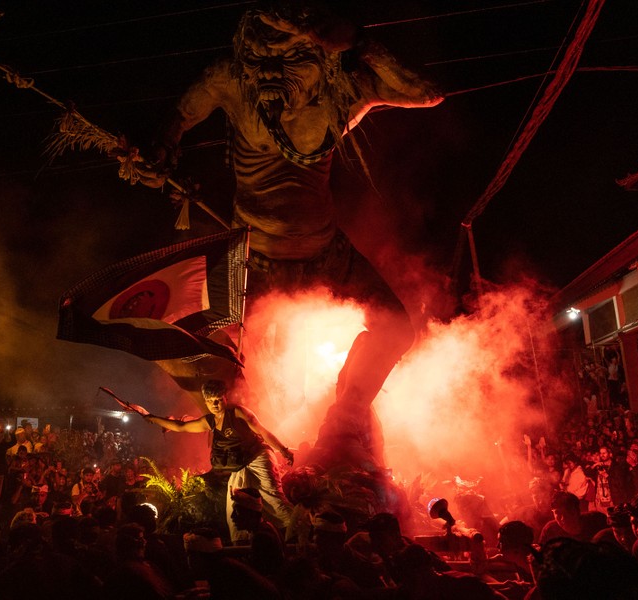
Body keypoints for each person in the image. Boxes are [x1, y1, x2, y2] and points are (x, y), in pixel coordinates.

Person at [138, 1, 443, 471]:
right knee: (201, 354)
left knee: (396, 327)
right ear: (245, 59)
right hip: (251, 257)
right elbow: (172, 123)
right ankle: (239, 467)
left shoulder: (342, 93)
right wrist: (156, 153)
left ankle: (344, 420)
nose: (271, 74)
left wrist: (361, 43)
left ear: (320, 57)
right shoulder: (232, 81)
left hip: (325, 250)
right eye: (260, 62)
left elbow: (427, 92)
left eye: (290, 60)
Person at [141, 379, 294, 542]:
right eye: (210, 401)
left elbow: (263, 431)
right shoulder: (210, 421)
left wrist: (283, 450)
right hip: (239, 467)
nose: (214, 404)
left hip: (259, 457)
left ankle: (298, 532)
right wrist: (150, 417)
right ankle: (242, 545)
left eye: (218, 400)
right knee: (234, 509)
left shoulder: (238, 412)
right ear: (206, 401)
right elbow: (181, 426)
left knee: (273, 499)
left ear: (225, 398)